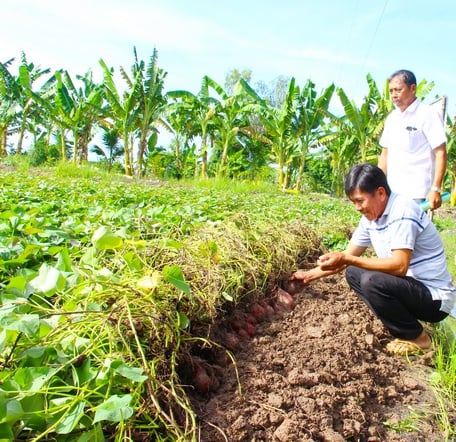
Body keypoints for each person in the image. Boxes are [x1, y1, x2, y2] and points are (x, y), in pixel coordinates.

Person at [290, 163, 456, 355]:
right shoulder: (371, 219)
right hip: (411, 290)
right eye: (353, 202)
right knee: (353, 273)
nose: (357, 208)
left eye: (360, 200)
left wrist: (347, 259)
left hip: (434, 299)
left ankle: (418, 338)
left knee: (372, 281)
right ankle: (404, 324)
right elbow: (346, 258)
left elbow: (399, 266)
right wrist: (308, 276)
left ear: (381, 193)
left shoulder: (402, 210)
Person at [378, 69, 447, 211]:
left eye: (398, 90)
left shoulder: (427, 114)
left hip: (417, 194)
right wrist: (377, 186)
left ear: (413, 88)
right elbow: (385, 154)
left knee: (411, 232)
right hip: (392, 193)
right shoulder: (392, 118)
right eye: (391, 91)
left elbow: (440, 152)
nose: (393, 95)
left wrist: (436, 188)